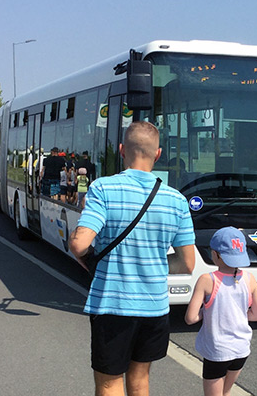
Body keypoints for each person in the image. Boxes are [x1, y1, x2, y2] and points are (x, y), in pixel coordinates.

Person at [69, 121, 195, 396]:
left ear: (122, 150)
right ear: (158, 153)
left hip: (113, 305)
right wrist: (156, 265)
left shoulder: (103, 189)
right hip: (154, 307)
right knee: (140, 380)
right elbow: (187, 264)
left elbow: (79, 244)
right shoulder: (176, 200)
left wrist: (83, 251)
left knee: (109, 382)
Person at [185, 226, 257, 396]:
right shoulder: (250, 279)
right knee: (226, 392)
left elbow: (190, 318)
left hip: (217, 350)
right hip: (241, 349)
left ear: (215, 254)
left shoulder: (207, 280)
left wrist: (207, 311)